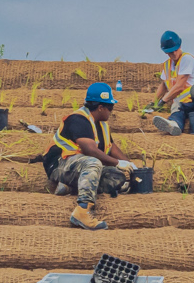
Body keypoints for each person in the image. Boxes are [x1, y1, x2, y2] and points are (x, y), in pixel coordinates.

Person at [42, 81, 139, 230]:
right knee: (93, 163)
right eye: (110, 107)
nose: (111, 111)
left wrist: (130, 164)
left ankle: (70, 186)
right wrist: (117, 163)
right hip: (60, 164)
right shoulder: (78, 119)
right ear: (100, 107)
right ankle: (82, 211)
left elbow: (111, 147)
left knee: (117, 177)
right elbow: (90, 150)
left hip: (78, 168)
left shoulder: (101, 124)